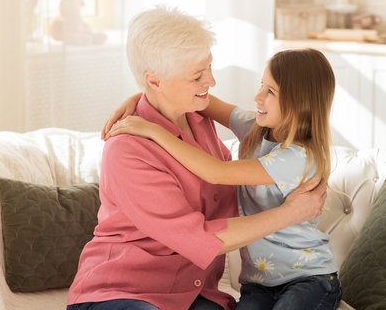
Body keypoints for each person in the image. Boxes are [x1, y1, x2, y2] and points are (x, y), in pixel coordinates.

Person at [66, 6, 327, 310]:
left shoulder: (199, 116)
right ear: (155, 81)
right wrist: (290, 213)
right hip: (123, 290)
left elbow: (217, 162)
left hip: (192, 292)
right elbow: (199, 236)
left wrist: (139, 98)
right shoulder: (128, 149)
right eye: (197, 76)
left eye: (209, 68)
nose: (211, 81)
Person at [106, 48, 342, 310]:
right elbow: (200, 99)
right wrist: (141, 97)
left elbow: (216, 171)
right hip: (259, 283)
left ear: (300, 102)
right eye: (261, 85)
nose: (257, 96)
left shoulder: (297, 157)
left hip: (308, 279)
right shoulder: (257, 128)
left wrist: (153, 131)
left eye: (270, 92)